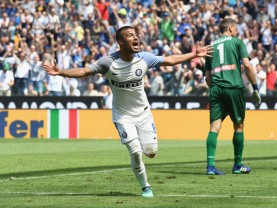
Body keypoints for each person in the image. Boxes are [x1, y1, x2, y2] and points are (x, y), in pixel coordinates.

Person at [44, 25, 213, 197]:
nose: (135, 38)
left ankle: (146, 162)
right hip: (122, 116)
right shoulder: (107, 62)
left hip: (144, 114)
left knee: (151, 152)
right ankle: (145, 187)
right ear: (120, 41)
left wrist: (194, 54)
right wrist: (60, 72)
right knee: (136, 152)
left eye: (135, 35)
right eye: (130, 35)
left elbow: (169, 60)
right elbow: (83, 71)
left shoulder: (144, 59)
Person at [204, 18, 261, 175]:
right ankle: (237, 165)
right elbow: (247, 66)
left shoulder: (210, 47)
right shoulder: (237, 42)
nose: (237, 31)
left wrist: (215, 88)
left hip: (215, 88)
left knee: (214, 126)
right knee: (238, 125)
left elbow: (207, 77)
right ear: (230, 28)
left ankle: (210, 166)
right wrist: (255, 87)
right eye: (235, 28)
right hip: (233, 87)